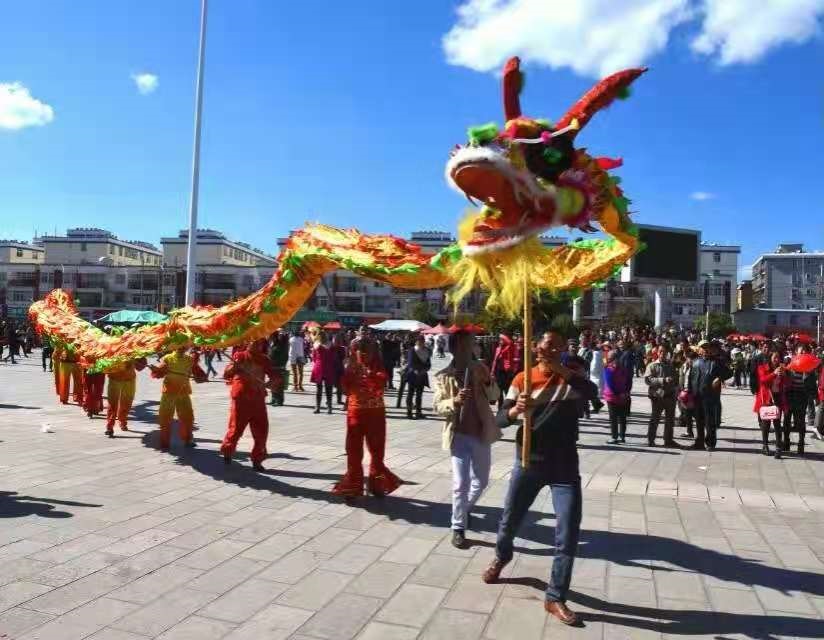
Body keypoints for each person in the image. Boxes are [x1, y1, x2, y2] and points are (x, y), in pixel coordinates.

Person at [482, 331, 597, 626]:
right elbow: (500, 418)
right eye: (548, 345)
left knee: (568, 530)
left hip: (565, 467)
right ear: (536, 349)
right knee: (510, 520)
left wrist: (563, 371)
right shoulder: (523, 378)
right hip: (528, 462)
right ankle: (502, 555)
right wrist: (516, 410)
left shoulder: (572, 378)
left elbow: (592, 393)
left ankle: (555, 596)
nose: (554, 349)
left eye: (560, 346)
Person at [433, 331, 499, 549]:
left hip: (481, 433)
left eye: (472, 344)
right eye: (465, 344)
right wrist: (454, 401)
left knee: (481, 481)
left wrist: (487, 380)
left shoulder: (480, 369)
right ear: (454, 348)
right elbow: (438, 406)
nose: (470, 348)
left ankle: (464, 509)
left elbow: (494, 396)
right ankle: (458, 527)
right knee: (460, 483)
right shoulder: (443, 375)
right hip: (458, 435)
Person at [332, 334, 402, 499]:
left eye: (366, 349)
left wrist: (370, 374)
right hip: (356, 412)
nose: (362, 353)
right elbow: (344, 388)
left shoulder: (378, 366)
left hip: (375, 413)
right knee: (353, 451)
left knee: (377, 451)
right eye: (358, 349)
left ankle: (377, 484)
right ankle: (352, 486)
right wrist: (350, 374)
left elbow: (381, 384)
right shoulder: (349, 365)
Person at [221, 339, 277, 470]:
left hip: (258, 399)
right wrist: (234, 367)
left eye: (260, 342)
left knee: (262, 430)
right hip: (242, 398)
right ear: (248, 343)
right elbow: (227, 374)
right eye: (254, 342)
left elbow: (275, 376)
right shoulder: (240, 356)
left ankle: (257, 459)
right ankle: (228, 451)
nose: (257, 344)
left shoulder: (264, 359)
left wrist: (272, 383)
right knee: (236, 428)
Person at [149, 346, 207, 450]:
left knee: (188, 417)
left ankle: (188, 439)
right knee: (165, 417)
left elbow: (199, 374)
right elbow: (159, 374)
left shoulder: (189, 359)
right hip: (169, 393)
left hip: (184, 393)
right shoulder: (168, 358)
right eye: (179, 345)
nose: (181, 348)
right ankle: (165, 442)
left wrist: (202, 377)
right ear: (175, 346)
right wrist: (156, 370)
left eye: (184, 346)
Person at [688, 340, 732, 451]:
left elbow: (729, 372)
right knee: (699, 421)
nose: (705, 350)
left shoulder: (716, 362)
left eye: (707, 347)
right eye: (703, 348)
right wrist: (689, 392)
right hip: (697, 396)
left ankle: (710, 443)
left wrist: (719, 378)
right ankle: (699, 442)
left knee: (710, 421)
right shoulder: (695, 362)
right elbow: (690, 379)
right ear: (699, 350)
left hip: (710, 396)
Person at [783, 347, 816, 456]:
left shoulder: (809, 367)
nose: (802, 353)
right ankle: (786, 442)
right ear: (796, 353)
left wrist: (815, 396)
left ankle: (801, 443)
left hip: (802, 396)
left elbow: (812, 383)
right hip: (790, 395)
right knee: (787, 420)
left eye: (803, 352)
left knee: (801, 421)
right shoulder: (790, 363)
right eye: (800, 351)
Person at [753, 351, 786, 458]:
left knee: (777, 423)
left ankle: (778, 447)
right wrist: (774, 374)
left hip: (778, 397)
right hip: (767, 398)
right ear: (770, 358)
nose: (777, 359)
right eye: (775, 357)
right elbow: (763, 380)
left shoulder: (782, 368)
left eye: (778, 357)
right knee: (766, 424)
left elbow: (787, 383)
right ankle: (765, 445)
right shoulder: (762, 367)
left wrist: (784, 375)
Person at [644, 346, 679, 447]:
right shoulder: (652, 365)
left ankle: (668, 440)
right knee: (655, 419)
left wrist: (674, 383)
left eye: (664, 351)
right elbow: (648, 380)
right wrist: (662, 380)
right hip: (657, 396)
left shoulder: (670, 365)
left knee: (670, 419)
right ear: (657, 353)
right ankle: (650, 440)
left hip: (670, 396)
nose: (662, 353)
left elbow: (676, 378)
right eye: (660, 351)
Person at [105, 357, 147, 436]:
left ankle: (122, 421)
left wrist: (137, 362)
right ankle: (110, 426)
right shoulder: (110, 350)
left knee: (127, 403)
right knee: (112, 403)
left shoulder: (133, 351)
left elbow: (140, 367)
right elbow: (104, 365)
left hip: (129, 379)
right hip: (114, 378)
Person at [603, 350, 631, 444]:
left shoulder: (609, 369)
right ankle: (622, 436)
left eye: (610, 358)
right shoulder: (622, 368)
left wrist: (622, 392)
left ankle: (615, 437)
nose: (608, 359)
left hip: (613, 396)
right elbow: (628, 381)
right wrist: (625, 392)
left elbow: (610, 384)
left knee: (614, 417)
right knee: (622, 417)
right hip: (621, 396)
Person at [404, 334, 432, 420]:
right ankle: (409, 413)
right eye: (420, 341)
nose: (421, 342)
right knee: (410, 393)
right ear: (416, 341)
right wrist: (416, 371)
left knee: (419, 394)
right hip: (413, 375)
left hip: (422, 375)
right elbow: (411, 363)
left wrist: (425, 370)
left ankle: (418, 412)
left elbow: (428, 363)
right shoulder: (412, 350)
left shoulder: (427, 350)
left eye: (423, 341)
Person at [310, 332, 337, 414]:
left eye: (324, 335)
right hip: (319, 368)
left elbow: (334, 357)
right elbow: (314, 357)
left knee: (329, 389)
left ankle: (329, 407)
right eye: (321, 336)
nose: (322, 337)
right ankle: (318, 407)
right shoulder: (316, 344)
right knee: (319, 389)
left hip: (328, 368)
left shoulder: (331, 344)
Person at [491, 332, 516, 410]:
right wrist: (492, 372)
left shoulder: (508, 347)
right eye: (500, 340)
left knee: (507, 391)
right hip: (498, 372)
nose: (500, 341)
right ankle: (500, 408)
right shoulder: (497, 349)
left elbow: (510, 342)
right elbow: (495, 361)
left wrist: (502, 336)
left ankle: (509, 408)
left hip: (507, 372)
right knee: (499, 391)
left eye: (501, 340)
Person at [678, 349, 696, 439]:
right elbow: (682, 377)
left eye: (691, 359)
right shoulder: (684, 366)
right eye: (689, 358)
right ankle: (689, 431)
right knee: (687, 412)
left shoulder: (695, 368)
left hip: (692, 392)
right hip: (684, 392)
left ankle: (691, 431)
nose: (690, 360)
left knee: (692, 412)